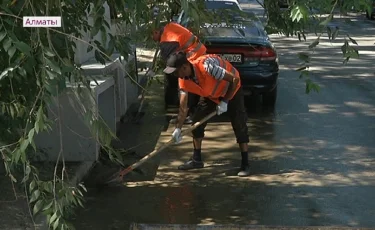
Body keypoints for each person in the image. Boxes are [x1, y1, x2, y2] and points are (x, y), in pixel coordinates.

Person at [163, 52, 251, 177]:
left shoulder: (207, 67)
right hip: (211, 95)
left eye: (176, 72)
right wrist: (178, 128)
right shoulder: (182, 80)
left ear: (184, 67)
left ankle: (245, 163)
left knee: (239, 123)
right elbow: (183, 108)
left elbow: (234, 80)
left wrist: (225, 101)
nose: (175, 75)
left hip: (232, 90)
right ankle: (197, 160)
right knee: (197, 122)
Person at [151, 21, 206, 124]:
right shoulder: (169, 26)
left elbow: (171, 63)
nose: (152, 39)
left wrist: (154, 71)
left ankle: (187, 114)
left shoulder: (167, 40)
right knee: (189, 83)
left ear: (156, 32)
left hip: (193, 56)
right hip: (198, 52)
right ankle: (188, 112)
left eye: (151, 35)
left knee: (186, 83)